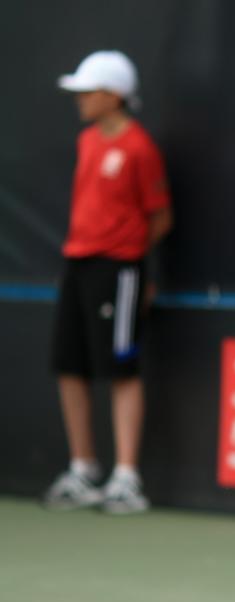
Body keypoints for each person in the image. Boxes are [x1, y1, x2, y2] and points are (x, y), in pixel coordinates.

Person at [43, 51, 172, 514]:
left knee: (120, 368)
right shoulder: (87, 141)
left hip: (120, 271)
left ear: (112, 95)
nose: (80, 99)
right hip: (77, 264)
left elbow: (160, 217)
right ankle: (83, 469)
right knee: (69, 365)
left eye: (87, 90)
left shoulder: (139, 149)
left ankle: (125, 478)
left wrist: (138, 266)